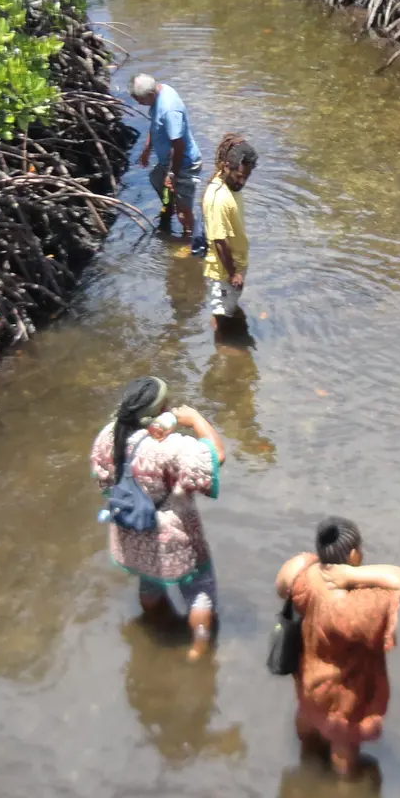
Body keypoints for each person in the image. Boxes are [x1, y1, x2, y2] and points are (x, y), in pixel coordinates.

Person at [90, 377, 228, 661]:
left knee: (148, 581)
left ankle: (155, 627)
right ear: (159, 411)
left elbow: (102, 478)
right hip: (172, 534)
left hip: (131, 529)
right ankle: (198, 650)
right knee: (199, 588)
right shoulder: (170, 447)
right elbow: (216, 455)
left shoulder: (109, 434)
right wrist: (196, 420)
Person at [273, 518, 400, 777]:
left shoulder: (302, 573)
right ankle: (342, 797)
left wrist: (315, 563)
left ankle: (307, 764)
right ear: (353, 555)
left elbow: (280, 587)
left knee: (307, 717)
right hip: (342, 693)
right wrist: (353, 575)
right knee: (344, 744)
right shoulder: (361, 603)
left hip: (309, 677)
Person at [130, 74, 204, 246]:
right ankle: (170, 209)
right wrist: (147, 148)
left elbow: (178, 147)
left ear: (150, 94)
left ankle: (190, 241)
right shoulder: (159, 92)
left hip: (185, 163)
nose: (139, 104)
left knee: (183, 211)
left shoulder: (169, 109)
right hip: (168, 160)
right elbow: (156, 124)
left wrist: (171, 174)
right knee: (155, 178)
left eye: (140, 100)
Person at [202, 133, 257, 333]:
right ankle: (223, 351)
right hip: (224, 273)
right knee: (223, 317)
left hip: (234, 267)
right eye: (240, 176)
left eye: (247, 177)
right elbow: (218, 241)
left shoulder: (230, 184)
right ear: (226, 166)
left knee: (229, 309)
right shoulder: (218, 198)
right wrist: (234, 274)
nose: (243, 182)